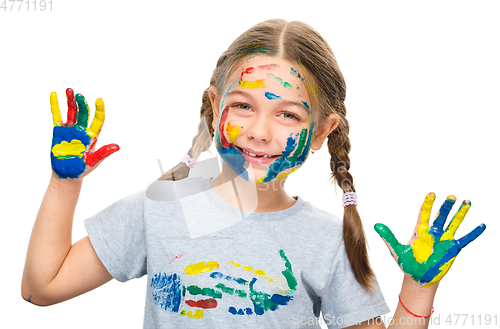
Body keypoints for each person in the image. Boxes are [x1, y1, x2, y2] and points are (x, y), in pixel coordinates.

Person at [21, 19, 486, 329]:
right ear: (213, 106)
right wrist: (66, 183)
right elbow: (42, 288)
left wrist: (419, 289)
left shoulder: (329, 239)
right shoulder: (160, 208)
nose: (259, 132)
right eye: (243, 106)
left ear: (323, 130)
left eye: (287, 116)